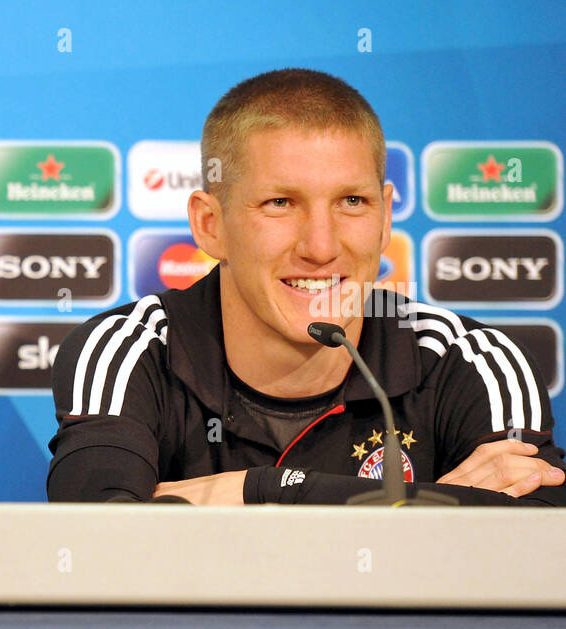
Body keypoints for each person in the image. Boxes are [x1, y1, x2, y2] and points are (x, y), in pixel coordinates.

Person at [48, 68, 566, 505]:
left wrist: (247, 492)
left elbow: (541, 534)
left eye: (352, 202)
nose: (320, 247)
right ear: (211, 225)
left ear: (386, 218)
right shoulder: (126, 350)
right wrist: (428, 509)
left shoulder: (473, 360)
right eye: (280, 203)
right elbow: (101, 535)